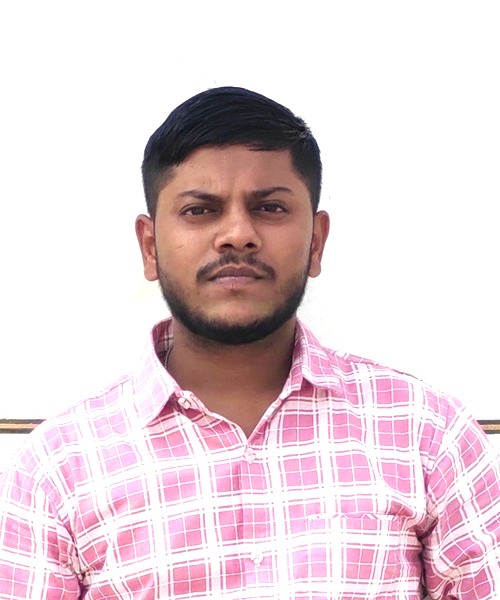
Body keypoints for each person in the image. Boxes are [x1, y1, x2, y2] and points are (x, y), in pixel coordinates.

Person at [0, 87, 499, 599]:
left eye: (270, 207)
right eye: (200, 210)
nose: (238, 234)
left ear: (316, 242)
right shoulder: (59, 469)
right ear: (150, 248)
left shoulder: (426, 435)